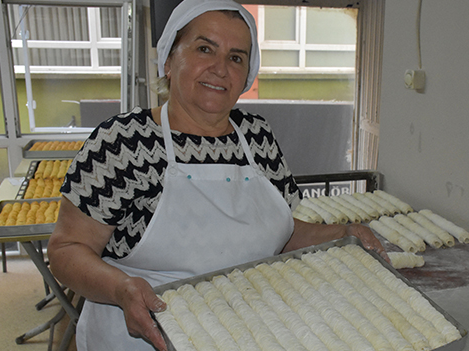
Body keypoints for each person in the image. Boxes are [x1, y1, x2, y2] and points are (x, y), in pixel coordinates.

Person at [47, 1, 387, 350]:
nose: (220, 68)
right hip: (142, 337)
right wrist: (121, 288)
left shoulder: (257, 136)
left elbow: (279, 231)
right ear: (168, 60)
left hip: (244, 331)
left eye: (236, 57)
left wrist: (342, 234)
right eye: (204, 48)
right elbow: (65, 249)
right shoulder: (123, 142)